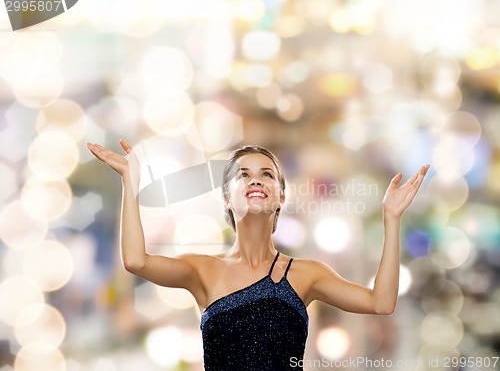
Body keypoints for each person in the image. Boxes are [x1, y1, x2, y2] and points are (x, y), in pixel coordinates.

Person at [86, 140, 430, 370]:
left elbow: (381, 303)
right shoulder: (202, 269)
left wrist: (391, 219)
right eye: (243, 175)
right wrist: (130, 183)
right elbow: (136, 260)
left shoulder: (306, 274)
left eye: (266, 174)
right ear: (226, 197)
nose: (256, 180)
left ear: (280, 196)